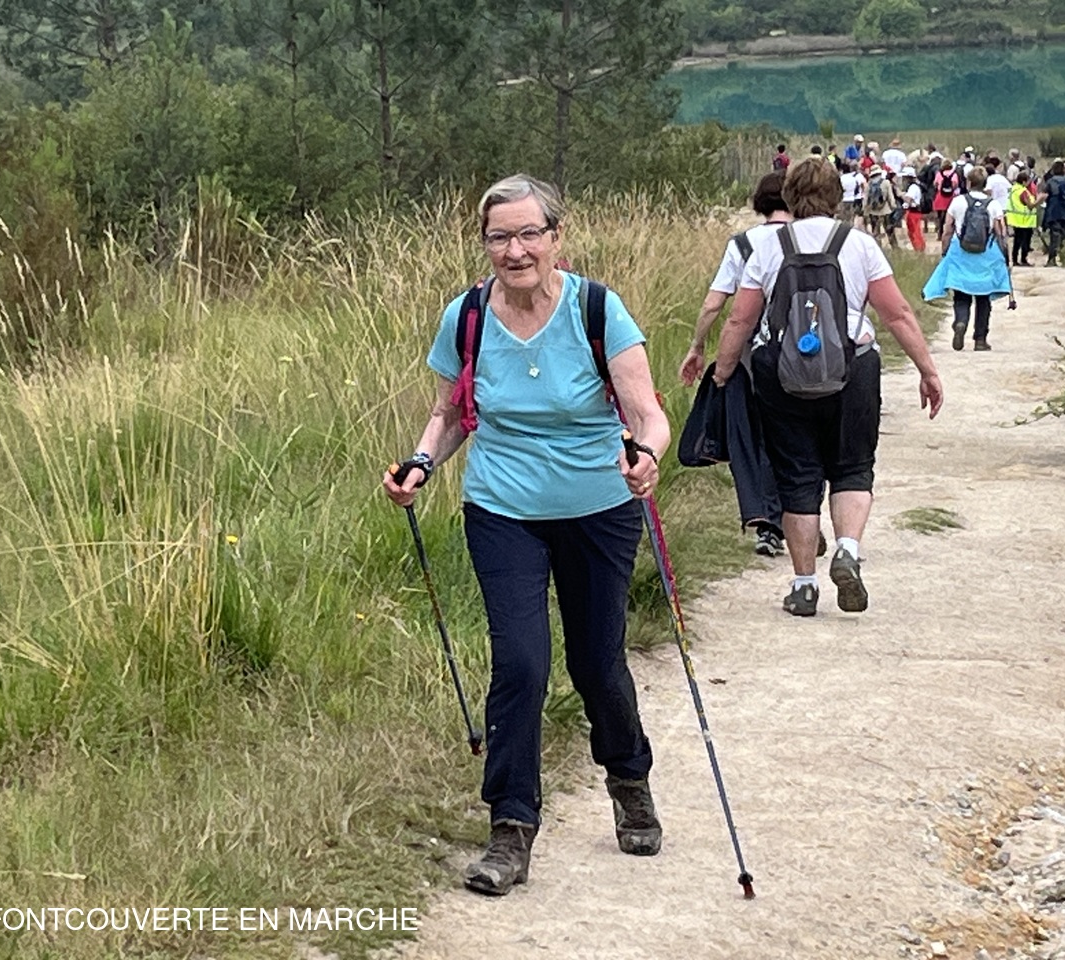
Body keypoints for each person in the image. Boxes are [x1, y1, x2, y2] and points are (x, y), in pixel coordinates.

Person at [382, 173, 670, 896]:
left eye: (528, 234)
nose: (515, 251)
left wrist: (646, 455)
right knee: (520, 663)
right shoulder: (467, 316)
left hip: (599, 508)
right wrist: (421, 462)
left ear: (555, 238)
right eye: (499, 237)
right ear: (485, 244)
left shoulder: (598, 310)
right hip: (502, 508)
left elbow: (647, 412)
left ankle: (628, 777)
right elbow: (450, 413)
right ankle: (510, 829)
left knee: (596, 662)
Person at [710, 158, 944, 617]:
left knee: (797, 474)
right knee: (853, 466)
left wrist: (723, 371)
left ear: (790, 197)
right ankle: (847, 550)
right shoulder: (858, 244)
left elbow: (740, 319)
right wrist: (927, 370)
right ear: (837, 196)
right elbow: (897, 314)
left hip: (781, 375)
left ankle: (803, 587)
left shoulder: (770, 247)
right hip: (853, 369)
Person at [680, 172, 789, 556]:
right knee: (795, 435)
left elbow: (714, 304)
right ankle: (798, 512)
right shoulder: (811, 238)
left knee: (755, 436)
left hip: (751, 354)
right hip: (806, 353)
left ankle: (770, 522)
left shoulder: (743, 244)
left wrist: (697, 345)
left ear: (760, 202)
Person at [922, 165, 1011, 352]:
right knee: (983, 299)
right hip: (986, 256)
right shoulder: (993, 205)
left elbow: (947, 229)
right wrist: (1006, 257)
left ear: (968, 183)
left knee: (961, 295)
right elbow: (1001, 234)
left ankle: (961, 322)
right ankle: (980, 339)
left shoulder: (958, 202)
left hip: (960, 253)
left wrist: (945, 251)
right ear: (985, 184)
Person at [1040, 159, 1065, 267]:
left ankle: (1052, 259)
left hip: (1054, 211)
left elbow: (1044, 194)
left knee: (1054, 236)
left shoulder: (1051, 181)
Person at [1005, 169, 1038, 267]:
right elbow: (1030, 205)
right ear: (1024, 182)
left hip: (1016, 219)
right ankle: (1023, 259)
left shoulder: (1013, 189)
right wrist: (1039, 201)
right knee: (1025, 241)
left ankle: (1014, 259)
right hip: (1024, 220)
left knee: (1017, 241)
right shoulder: (1023, 191)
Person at [863, 166, 899, 246]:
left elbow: (865, 199)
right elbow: (890, 197)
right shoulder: (886, 182)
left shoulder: (869, 184)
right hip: (885, 210)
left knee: (876, 232)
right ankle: (895, 247)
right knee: (889, 231)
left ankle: (878, 247)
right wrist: (893, 206)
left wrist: (865, 211)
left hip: (873, 211)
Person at [901, 167, 926, 251]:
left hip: (913, 212)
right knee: (914, 231)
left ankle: (919, 248)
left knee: (914, 232)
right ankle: (919, 248)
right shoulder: (914, 187)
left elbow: (908, 199)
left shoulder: (913, 187)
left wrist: (901, 195)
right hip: (914, 211)